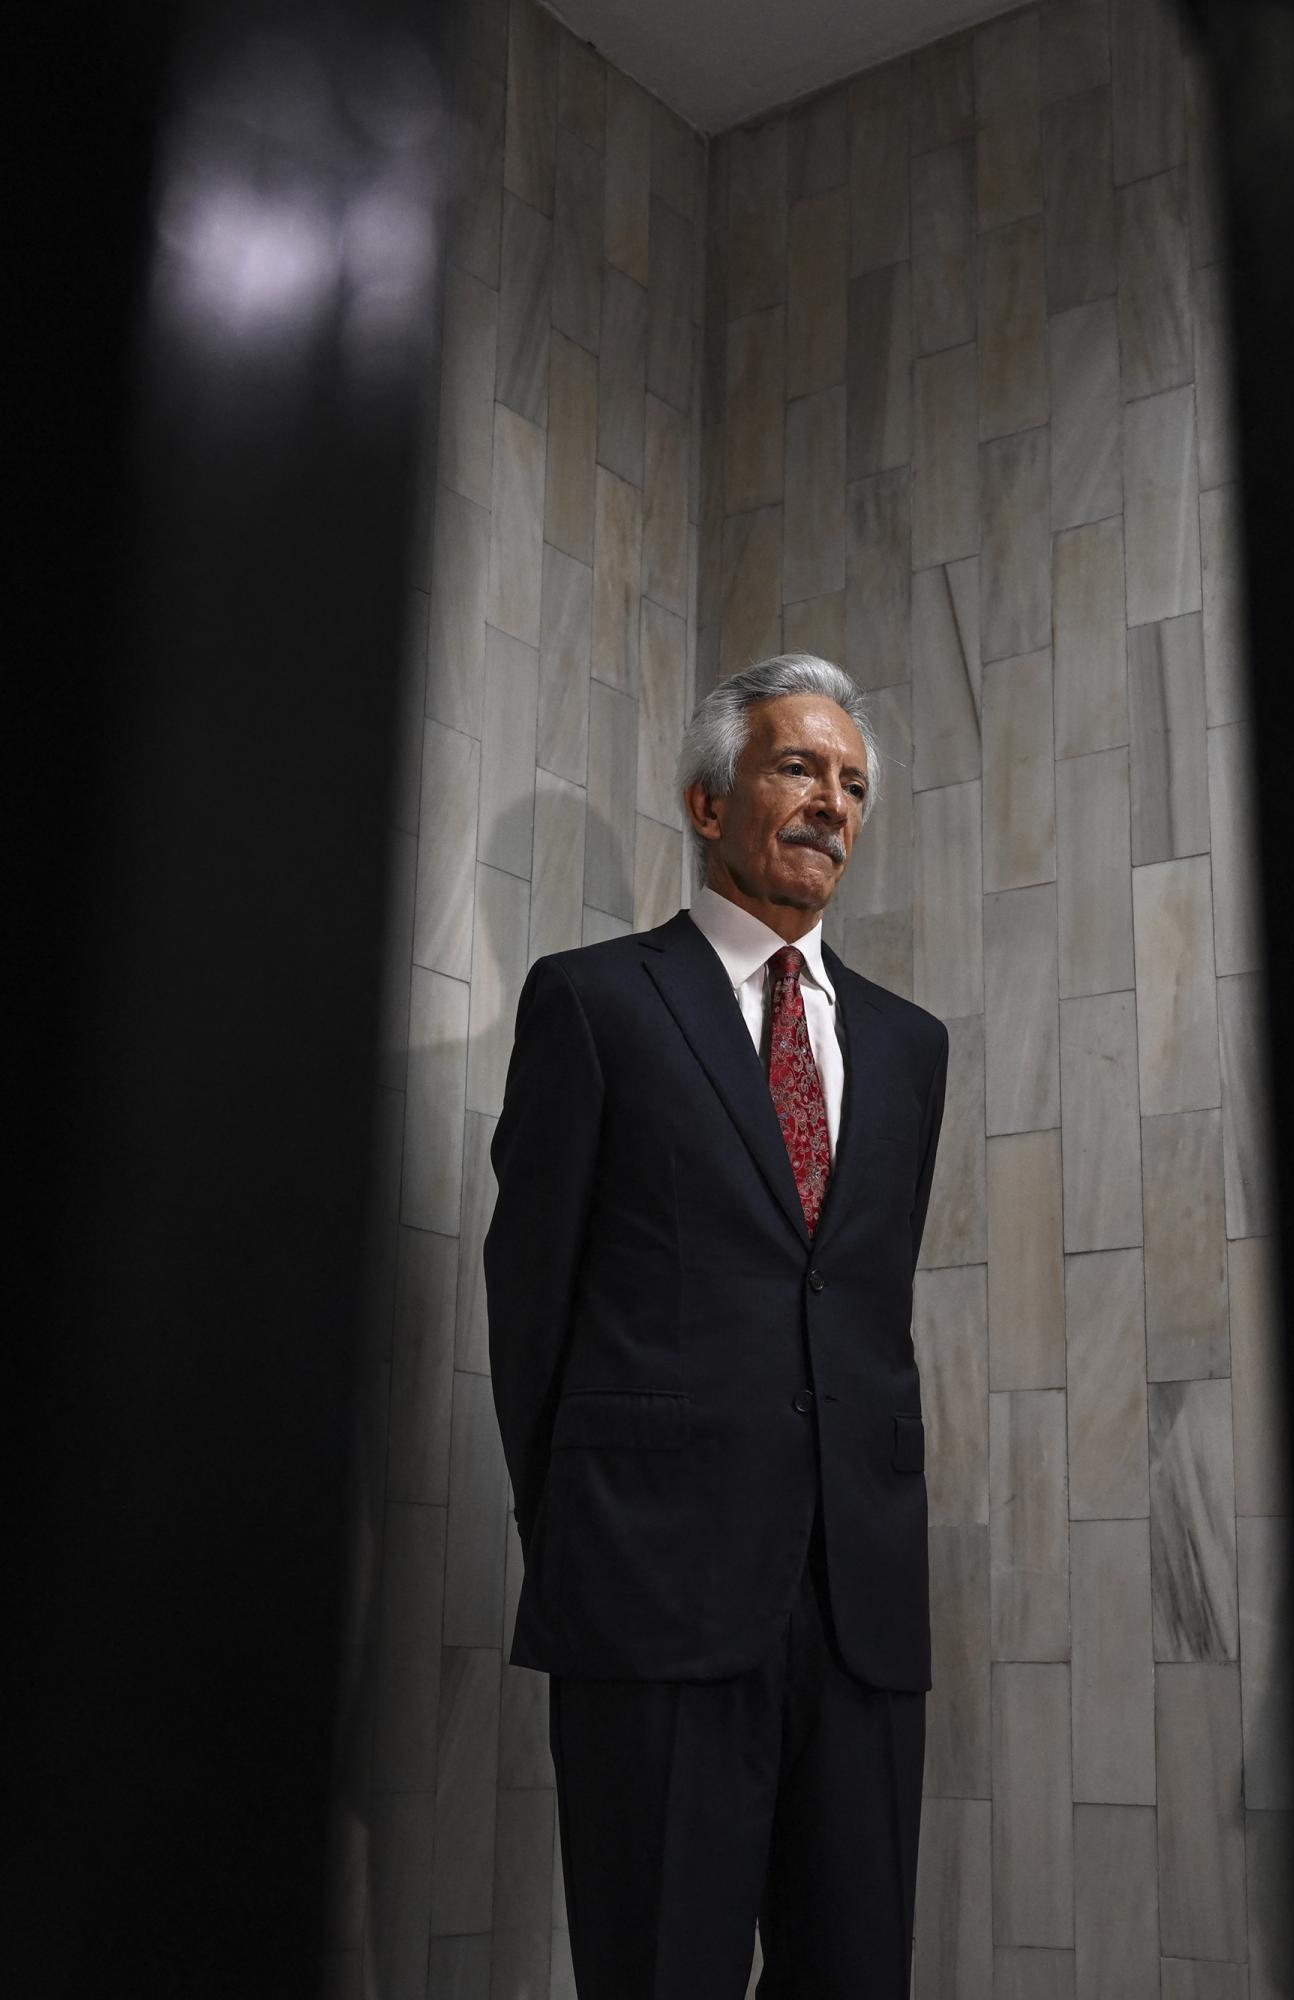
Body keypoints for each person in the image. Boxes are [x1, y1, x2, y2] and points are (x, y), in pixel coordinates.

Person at [483, 654, 948, 1996]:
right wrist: (589, 1538)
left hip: (862, 1616)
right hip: (656, 1600)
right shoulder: (596, 1004)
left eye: (853, 784)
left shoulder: (912, 1050)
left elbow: (858, 1307)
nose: (832, 803)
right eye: (799, 767)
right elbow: (534, 1305)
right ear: (707, 801)